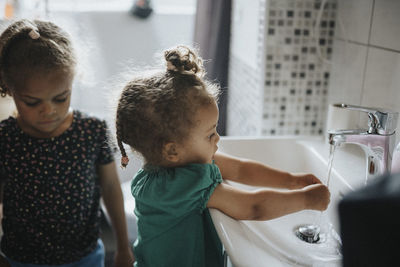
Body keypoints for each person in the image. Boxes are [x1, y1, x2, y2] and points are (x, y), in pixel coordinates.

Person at [115, 45, 331, 266]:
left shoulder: (167, 167)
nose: (217, 139)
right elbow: (253, 207)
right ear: (172, 150)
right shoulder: (182, 185)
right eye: (210, 134)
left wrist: (290, 180)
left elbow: (240, 169)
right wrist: (306, 199)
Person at [0, 19, 134, 267]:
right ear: (9, 88)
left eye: (61, 98)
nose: (48, 110)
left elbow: (111, 187)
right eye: (32, 102)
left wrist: (123, 246)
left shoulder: (92, 131)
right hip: (22, 258)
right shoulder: (5, 139)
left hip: (85, 256)